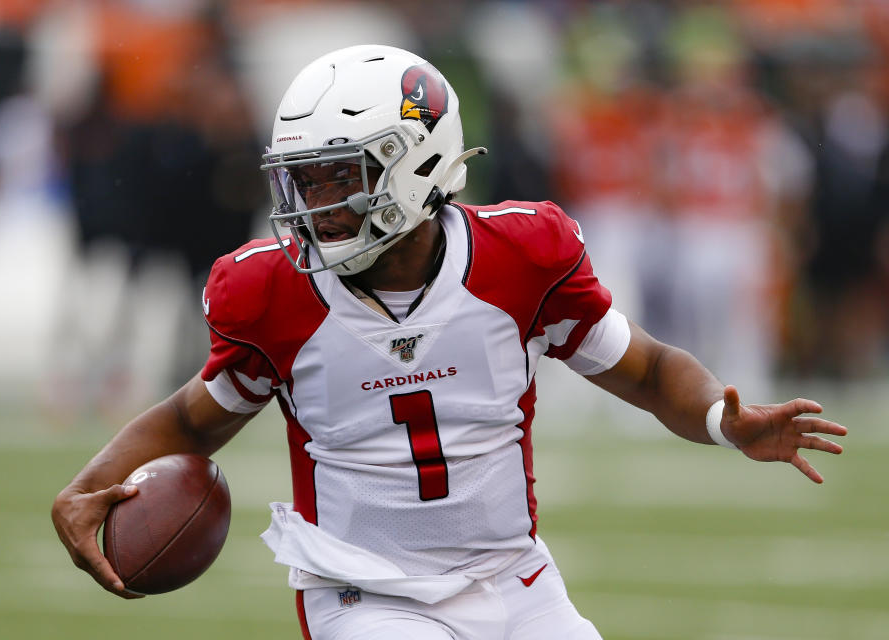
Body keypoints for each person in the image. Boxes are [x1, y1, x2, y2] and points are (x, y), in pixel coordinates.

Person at [51, 45, 847, 640]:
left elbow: (644, 368)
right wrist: (86, 487)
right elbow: (194, 420)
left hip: (515, 578)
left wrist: (721, 419)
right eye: (302, 180)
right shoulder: (271, 292)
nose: (313, 206)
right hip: (367, 592)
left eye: (337, 177)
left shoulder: (521, 258)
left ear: (414, 162)